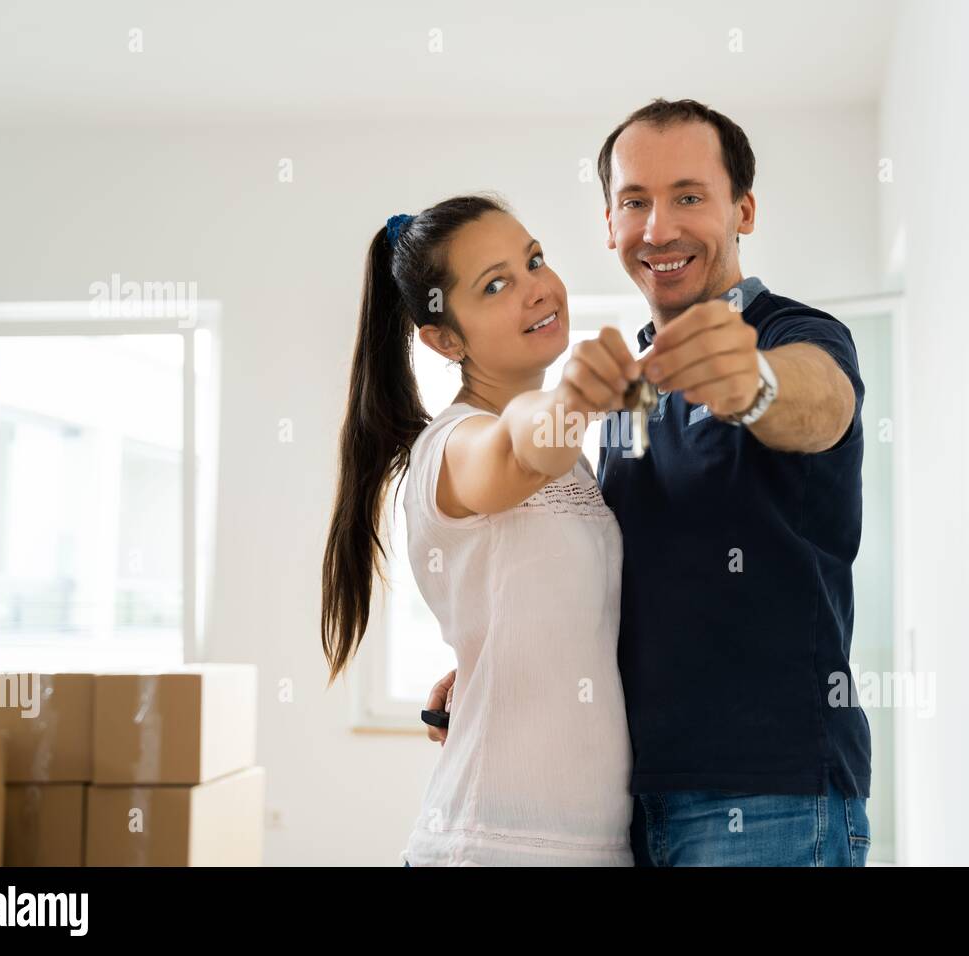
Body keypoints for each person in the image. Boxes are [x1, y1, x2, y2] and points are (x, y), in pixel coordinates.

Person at [429, 99, 873, 866]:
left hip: (769, 800)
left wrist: (755, 383)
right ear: (609, 224)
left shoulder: (795, 337)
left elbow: (822, 403)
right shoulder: (623, 390)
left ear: (745, 210)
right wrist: (511, 657)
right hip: (633, 805)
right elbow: (631, 582)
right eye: (636, 201)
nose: (659, 228)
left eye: (690, 197)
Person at [321, 194, 643, 865]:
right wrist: (577, 395)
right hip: (490, 844)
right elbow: (520, 446)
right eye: (496, 285)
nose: (536, 290)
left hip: (589, 843)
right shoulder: (457, 444)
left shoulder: (577, 464)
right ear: (444, 337)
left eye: (534, 261)